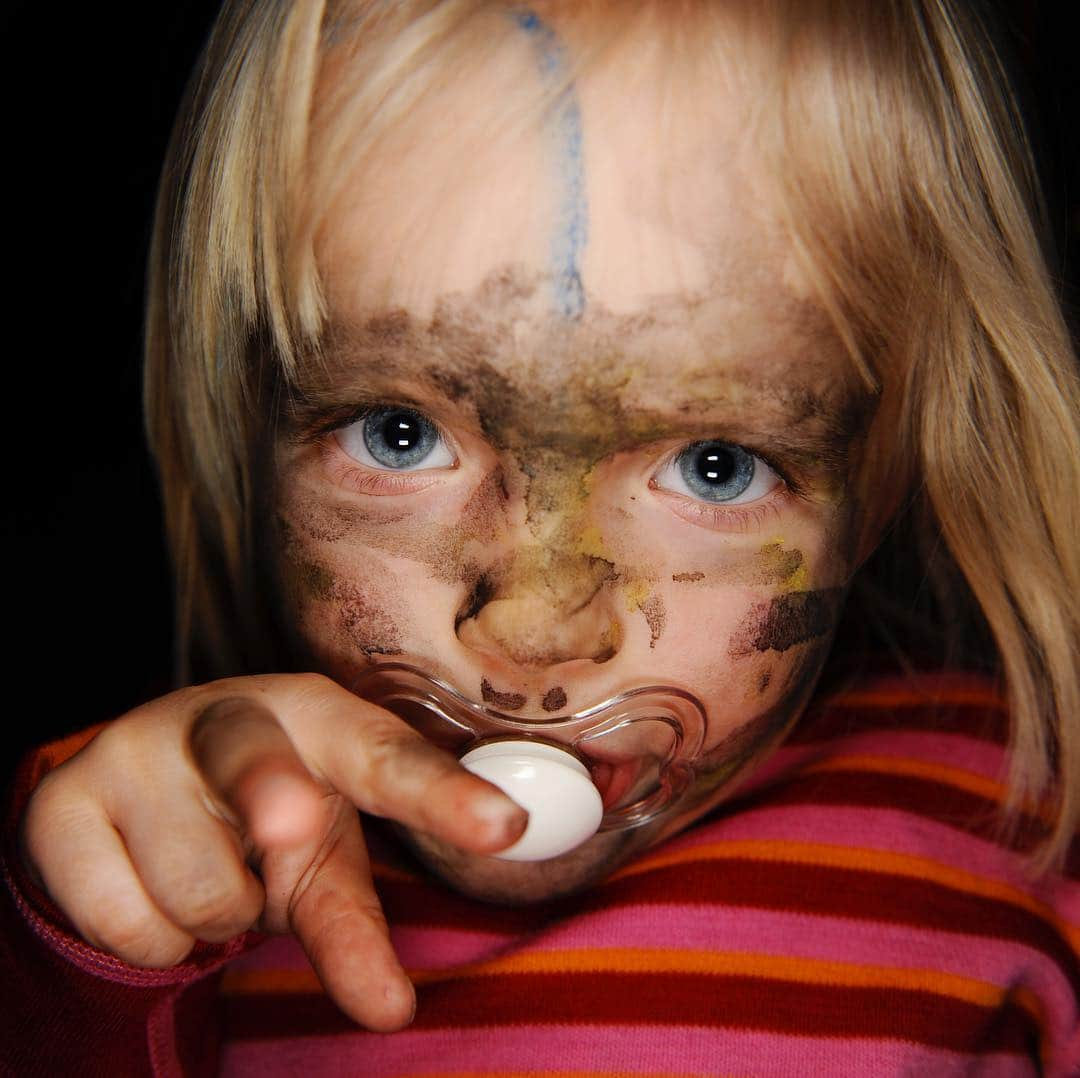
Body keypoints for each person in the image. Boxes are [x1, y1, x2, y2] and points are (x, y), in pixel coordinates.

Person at [3, 0, 1078, 1073]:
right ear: (251, 422)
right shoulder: (173, 857)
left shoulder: (1033, 840)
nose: (531, 621)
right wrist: (90, 959)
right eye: (399, 433)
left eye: (716, 465)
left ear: (883, 481)